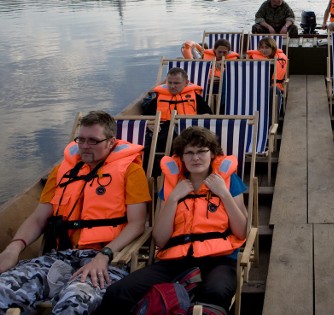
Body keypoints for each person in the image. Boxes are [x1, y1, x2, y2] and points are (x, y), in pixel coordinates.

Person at [0, 111, 150, 314]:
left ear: (111, 142)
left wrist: (105, 254)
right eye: (81, 139)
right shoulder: (61, 171)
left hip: (105, 260)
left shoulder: (131, 171)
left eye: (93, 141)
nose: (85, 146)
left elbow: (137, 224)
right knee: (4, 287)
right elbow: (38, 218)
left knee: (74, 302)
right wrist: (14, 248)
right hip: (60, 256)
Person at [98, 126, 248, 312]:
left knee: (215, 292)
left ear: (213, 154)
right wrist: (173, 199)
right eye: (189, 153)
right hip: (176, 260)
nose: (195, 158)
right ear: (182, 157)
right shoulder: (171, 187)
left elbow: (242, 231)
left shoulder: (228, 182)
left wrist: (224, 194)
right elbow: (160, 239)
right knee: (118, 291)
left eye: (202, 151)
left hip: (219, 260)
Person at [141, 67, 212, 168]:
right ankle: (156, 172)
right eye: (169, 83)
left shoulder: (195, 98)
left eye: (176, 83)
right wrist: (150, 124)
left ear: (186, 83)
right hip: (162, 133)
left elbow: (208, 115)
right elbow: (144, 118)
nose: (172, 86)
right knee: (146, 146)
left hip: (188, 132)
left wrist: (201, 118)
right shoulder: (158, 99)